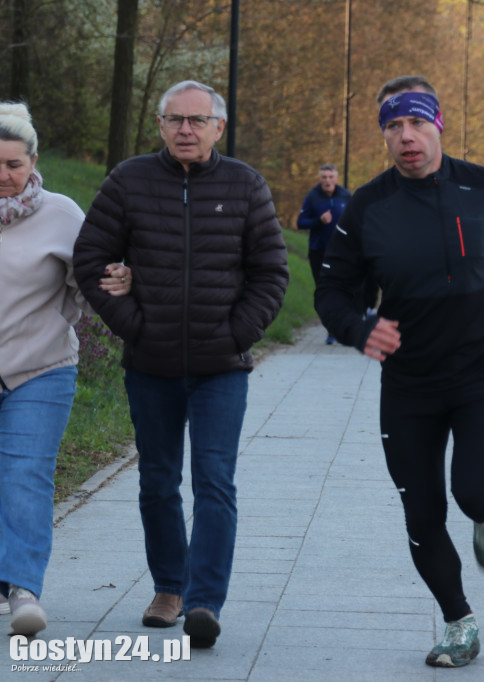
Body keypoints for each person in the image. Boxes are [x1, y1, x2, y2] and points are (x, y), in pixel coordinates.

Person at [315, 75, 484, 669]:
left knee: (473, 492)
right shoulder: (367, 207)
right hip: (409, 382)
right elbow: (332, 289)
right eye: (393, 127)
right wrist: (356, 327)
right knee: (422, 512)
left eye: (417, 124)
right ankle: (458, 621)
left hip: (482, 374)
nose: (406, 138)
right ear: (384, 136)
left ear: (438, 125)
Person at [73, 80, 289, 649]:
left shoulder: (245, 185)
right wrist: (131, 324)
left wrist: (237, 331)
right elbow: (91, 256)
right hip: (151, 363)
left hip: (222, 368)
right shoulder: (129, 180)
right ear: (161, 126)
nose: (185, 130)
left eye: (197, 120)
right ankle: (169, 587)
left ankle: (203, 602)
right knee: (157, 481)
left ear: (219, 127)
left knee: (214, 482)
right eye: (175, 120)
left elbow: (271, 272)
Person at [0, 102, 131, 637]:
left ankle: (24, 591)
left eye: (13, 163)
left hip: (40, 368)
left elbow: (92, 284)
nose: (3, 175)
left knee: (25, 476)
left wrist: (120, 285)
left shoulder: (61, 214)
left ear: (34, 162)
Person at [296, 164, 352, 344]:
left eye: (330, 177)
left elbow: (357, 220)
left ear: (336, 178)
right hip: (319, 251)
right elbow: (301, 222)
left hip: (343, 252)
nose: (327, 181)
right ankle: (331, 330)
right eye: (324, 177)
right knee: (324, 291)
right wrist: (318, 221)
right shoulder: (313, 197)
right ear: (320, 179)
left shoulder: (346, 196)